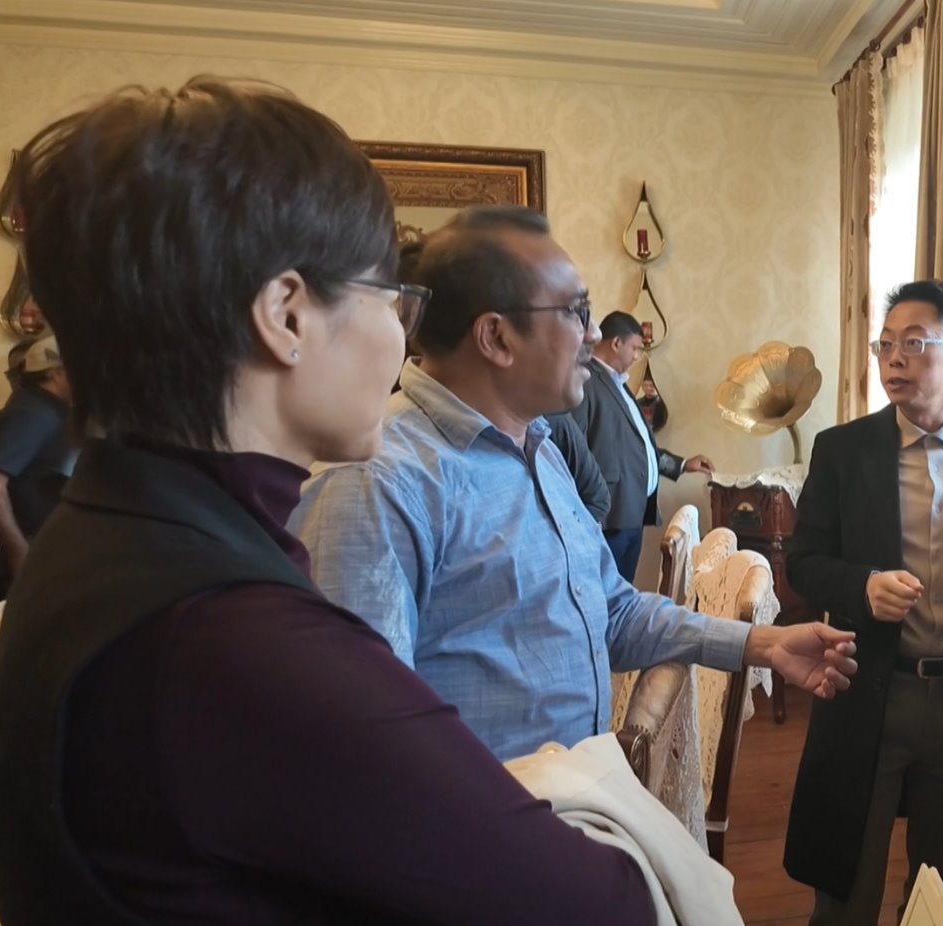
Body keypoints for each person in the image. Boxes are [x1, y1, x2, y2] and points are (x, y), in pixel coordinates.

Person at [0, 77, 663, 925]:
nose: (400, 340)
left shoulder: (113, 528)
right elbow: (597, 904)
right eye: (390, 300)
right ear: (286, 315)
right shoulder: (232, 637)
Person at [293, 205, 857, 761]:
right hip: (491, 818)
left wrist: (763, 643)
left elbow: (612, 611)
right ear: (496, 337)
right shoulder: (375, 484)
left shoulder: (538, 447)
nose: (594, 333)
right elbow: (366, 746)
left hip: (573, 796)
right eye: (576, 310)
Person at [785, 280, 943, 925]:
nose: (894, 358)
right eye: (886, 344)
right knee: (846, 892)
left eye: (915, 343)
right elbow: (803, 562)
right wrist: (863, 587)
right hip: (867, 688)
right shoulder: (843, 451)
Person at [571, 310, 713, 581]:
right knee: (606, 593)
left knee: (623, 592)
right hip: (608, 514)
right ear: (616, 343)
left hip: (631, 512)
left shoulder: (618, 384)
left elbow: (638, 448)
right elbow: (573, 447)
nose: (637, 357)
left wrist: (683, 465)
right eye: (634, 348)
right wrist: (591, 505)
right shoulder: (586, 379)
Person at [0, 334, 74, 589]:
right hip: (24, 551)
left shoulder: (49, 410)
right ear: (56, 374)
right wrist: (19, 552)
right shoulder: (35, 414)